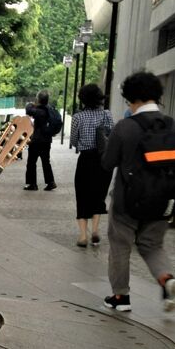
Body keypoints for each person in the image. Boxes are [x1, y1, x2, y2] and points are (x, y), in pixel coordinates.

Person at [102, 71, 175, 313]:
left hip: (128, 202)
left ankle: (120, 297)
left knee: (120, 244)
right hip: (164, 200)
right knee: (152, 244)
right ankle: (166, 279)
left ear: (131, 98)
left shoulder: (125, 127)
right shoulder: (174, 125)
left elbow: (107, 163)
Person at [69, 84, 114, 247]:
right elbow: (112, 134)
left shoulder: (78, 117)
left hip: (85, 159)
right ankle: (95, 230)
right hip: (103, 160)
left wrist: (81, 142)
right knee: (99, 195)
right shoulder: (106, 114)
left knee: (82, 195)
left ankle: (82, 236)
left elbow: (73, 140)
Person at [24, 90, 57, 191]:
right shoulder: (50, 110)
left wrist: (32, 103)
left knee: (31, 162)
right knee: (46, 162)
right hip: (47, 141)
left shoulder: (39, 111)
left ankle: (32, 184)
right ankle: (51, 182)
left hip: (37, 141)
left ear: (38, 99)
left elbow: (28, 109)